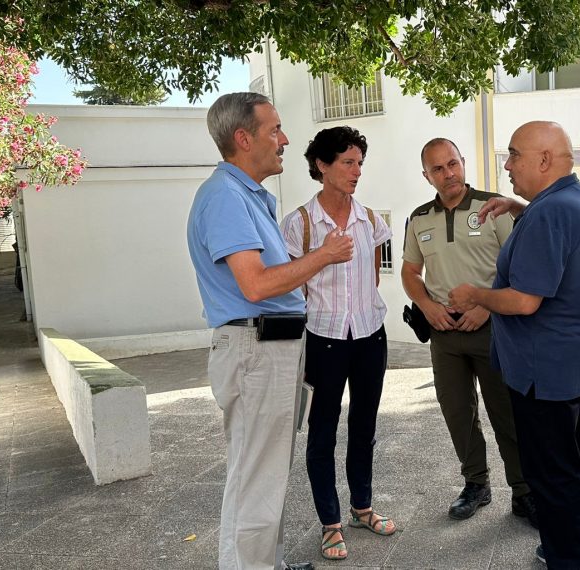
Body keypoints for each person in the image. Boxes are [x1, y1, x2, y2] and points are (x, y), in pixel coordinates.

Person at [188, 92, 353, 570]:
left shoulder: (248, 196)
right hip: (254, 348)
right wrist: (322, 256)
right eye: (274, 130)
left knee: (268, 472)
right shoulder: (225, 197)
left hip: (269, 347)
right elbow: (255, 285)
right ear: (244, 138)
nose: (284, 140)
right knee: (255, 474)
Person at [449, 121, 580, 570]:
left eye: (515, 154)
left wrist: (474, 295)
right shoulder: (575, 201)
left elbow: (523, 300)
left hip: (542, 369)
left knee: (550, 474)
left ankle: (565, 558)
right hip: (566, 365)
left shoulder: (551, 212)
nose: (507, 164)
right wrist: (520, 208)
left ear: (544, 160)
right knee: (573, 461)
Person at [400, 138, 536, 525]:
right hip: (444, 334)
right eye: (438, 169)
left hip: (493, 329)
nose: (448, 174)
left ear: (463, 163)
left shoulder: (493, 207)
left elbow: (517, 267)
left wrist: (486, 306)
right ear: (426, 175)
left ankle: (524, 491)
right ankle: (477, 484)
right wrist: (427, 306)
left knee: (506, 413)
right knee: (457, 412)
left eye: (452, 164)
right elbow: (411, 273)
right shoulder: (419, 217)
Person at [279, 126, 395, 562]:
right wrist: (322, 256)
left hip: (370, 336)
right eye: (347, 162)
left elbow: (373, 276)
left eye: (360, 162)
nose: (356, 171)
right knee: (322, 433)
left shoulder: (370, 219)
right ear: (321, 166)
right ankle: (330, 524)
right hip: (324, 340)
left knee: (364, 426)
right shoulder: (299, 223)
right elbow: (291, 284)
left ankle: (362, 507)